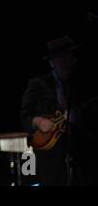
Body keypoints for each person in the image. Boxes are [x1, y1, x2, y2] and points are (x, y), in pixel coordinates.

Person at [21, 36, 95, 185]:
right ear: (52, 62)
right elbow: (25, 117)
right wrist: (38, 121)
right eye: (62, 58)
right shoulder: (38, 84)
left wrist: (78, 118)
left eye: (69, 57)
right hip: (50, 159)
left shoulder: (79, 84)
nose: (67, 62)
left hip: (78, 155)